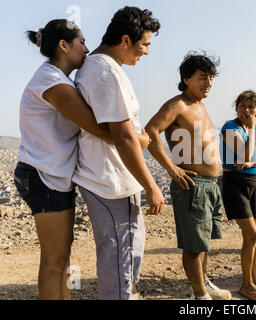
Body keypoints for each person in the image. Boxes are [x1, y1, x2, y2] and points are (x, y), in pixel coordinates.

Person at [14, 19, 116, 300]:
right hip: (44, 176)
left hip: (49, 175)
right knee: (54, 260)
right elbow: (98, 128)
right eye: (81, 42)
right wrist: (136, 137)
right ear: (63, 45)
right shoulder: (52, 82)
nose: (86, 48)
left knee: (60, 257)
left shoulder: (56, 79)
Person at [73, 6, 164, 300]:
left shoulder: (103, 68)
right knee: (119, 263)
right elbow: (123, 138)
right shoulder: (105, 72)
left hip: (114, 180)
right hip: (108, 181)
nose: (147, 52)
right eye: (145, 44)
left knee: (126, 257)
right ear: (125, 40)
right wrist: (152, 185)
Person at [145, 52, 231, 300]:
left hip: (210, 184)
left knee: (204, 241)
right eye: (202, 78)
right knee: (194, 246)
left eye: (211, 78)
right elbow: (150, 131)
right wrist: (171, 168)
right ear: (186, 78)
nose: (209, 83)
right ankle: (200, 297)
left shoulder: (200, 106)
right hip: (191, 183)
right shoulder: (177, 105)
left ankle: (202, 284)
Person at [220, 90, 256, 300]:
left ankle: (252, 277)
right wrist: (251, 130)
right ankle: (246, 284)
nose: (247, 110)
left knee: (251, 237)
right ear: (236, 108)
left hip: (253, 181)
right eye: (243, 106)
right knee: (252, 235)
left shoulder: (254, 129)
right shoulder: (229, 127)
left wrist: (253, 163)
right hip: (235, 182)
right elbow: (245, 154)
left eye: (251, 107)